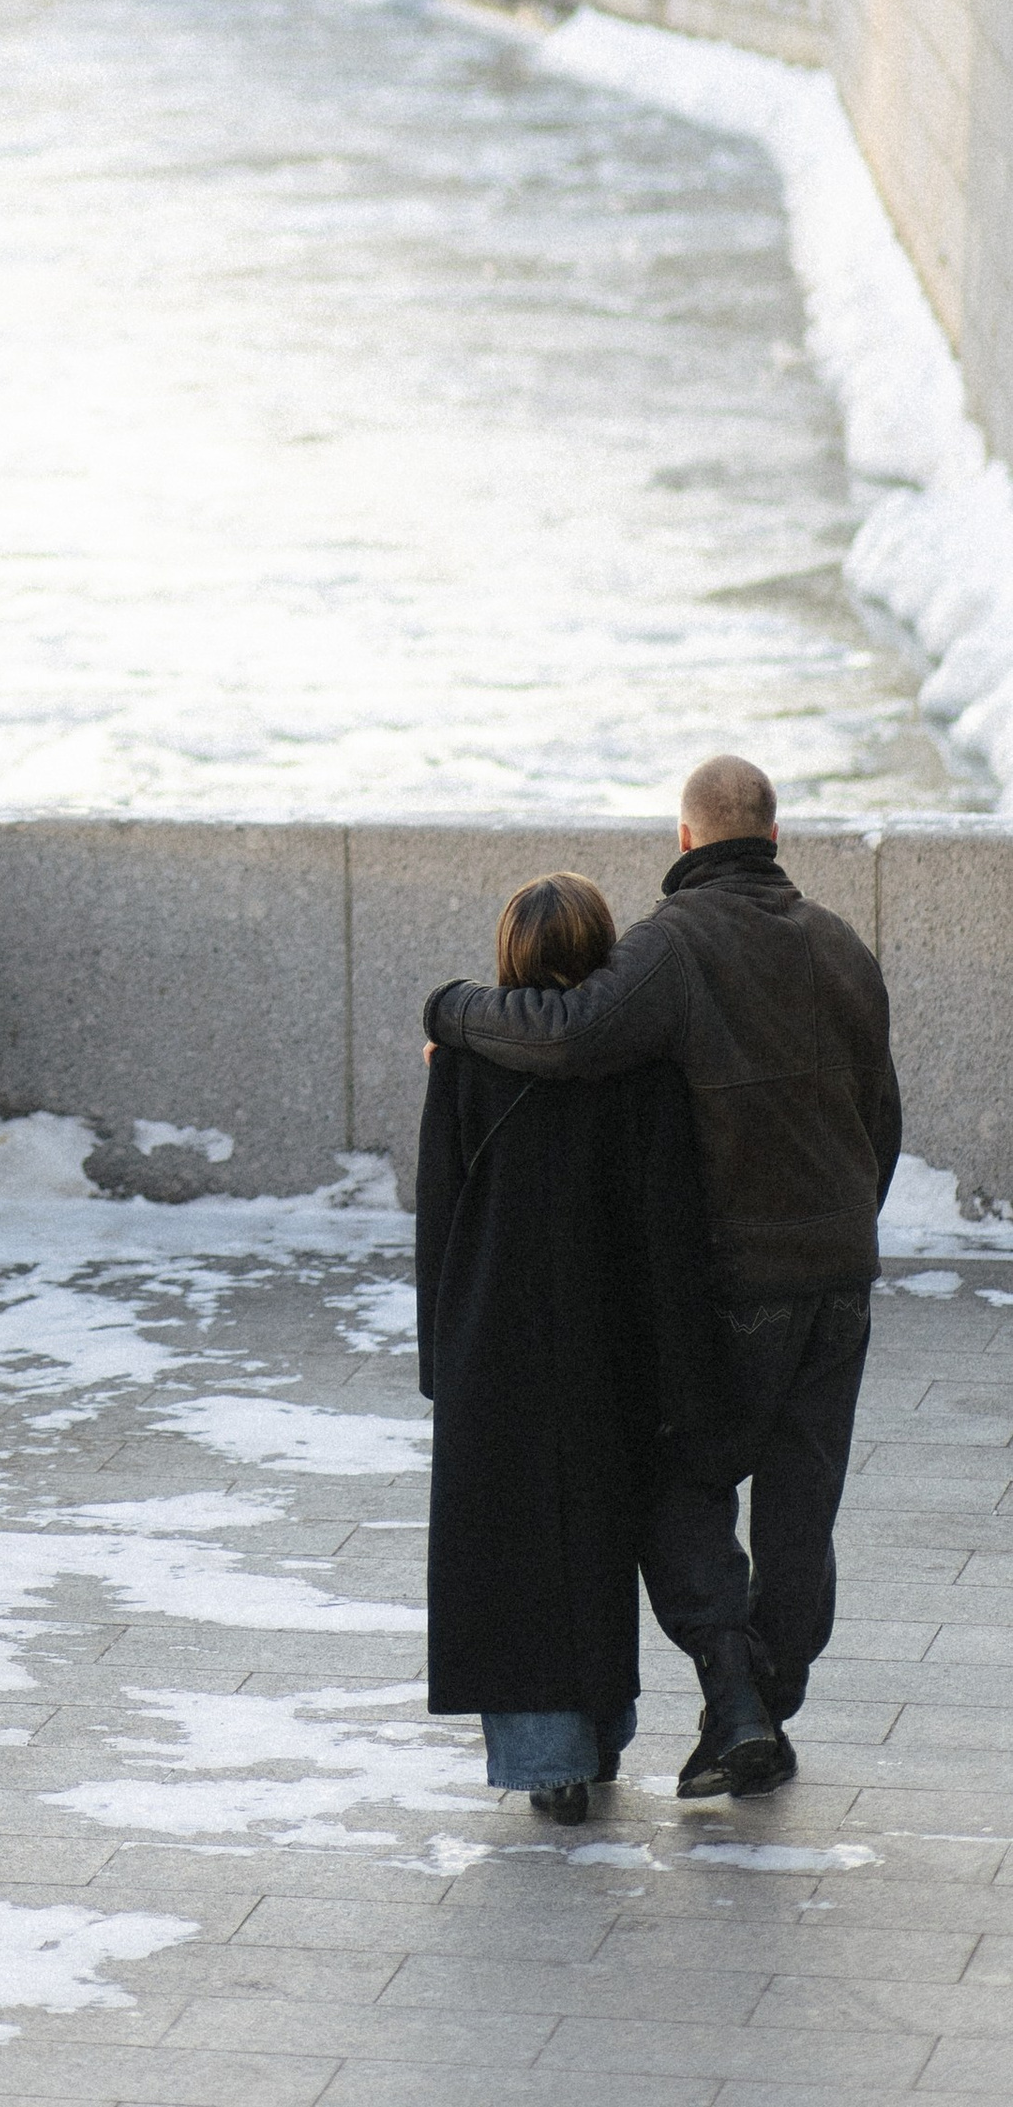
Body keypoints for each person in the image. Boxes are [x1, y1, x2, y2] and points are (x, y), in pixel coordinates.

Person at [424, 757, 901, 1801]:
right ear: (773, 834)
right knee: (797, 1511)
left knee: (673, 1487)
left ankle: (735, 1697)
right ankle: (763, 1712)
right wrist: (842, 1232)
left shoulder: (676, 943)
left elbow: (567, 1032)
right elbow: (883, 1123)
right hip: (840, 1276)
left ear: (685, 840)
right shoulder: (841, 944)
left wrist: (453, 1010)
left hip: (739, 1282)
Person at [420, 872, 723, 1821]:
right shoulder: (641, 1069)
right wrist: (684, 1367)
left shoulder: (464, 1063)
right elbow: (670, 1228)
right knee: (594, 1540)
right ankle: (597, 1738)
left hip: (495, 1337)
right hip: (611, 1339)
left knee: (507, 1550)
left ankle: (546, 1762)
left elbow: (442, 1213)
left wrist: (440, 1354)